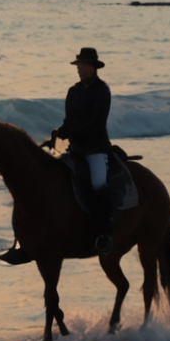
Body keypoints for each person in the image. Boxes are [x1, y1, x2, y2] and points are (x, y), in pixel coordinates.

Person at [54, 46, 114, 253]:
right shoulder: (73, 91)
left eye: (84, 65)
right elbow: (68, 120)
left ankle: (104, 233)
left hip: (96, 149)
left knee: (98, 184)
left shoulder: (102, 91)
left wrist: (75, 132)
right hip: (76, 149)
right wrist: (60, 132)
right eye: (79, 64)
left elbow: (97, 123)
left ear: (93, 67)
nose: (80, 68)